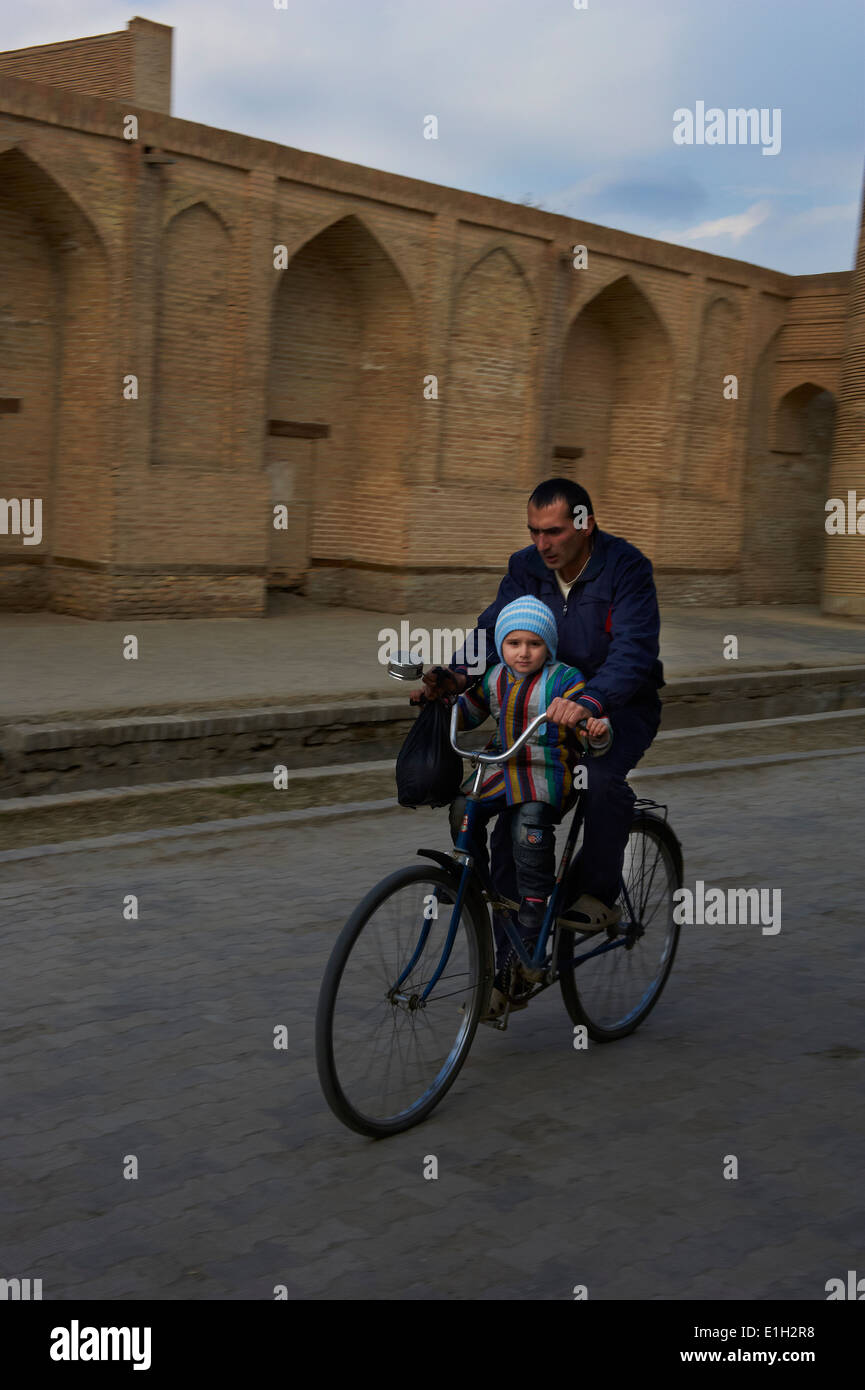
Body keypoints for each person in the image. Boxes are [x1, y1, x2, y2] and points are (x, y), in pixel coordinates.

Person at [422, 477, 664, 939]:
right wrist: (454, 678)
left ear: (584, 523)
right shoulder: (526, 567)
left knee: (598, 779)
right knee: (512, 817)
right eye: (534, 530)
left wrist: (590, 700)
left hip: (615, 706)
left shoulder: (626, 568)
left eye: (552, 531)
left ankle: (595, 893)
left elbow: (633, 649)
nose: (541, 543)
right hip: (535, 706)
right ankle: (510, 964)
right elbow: (492, 630)